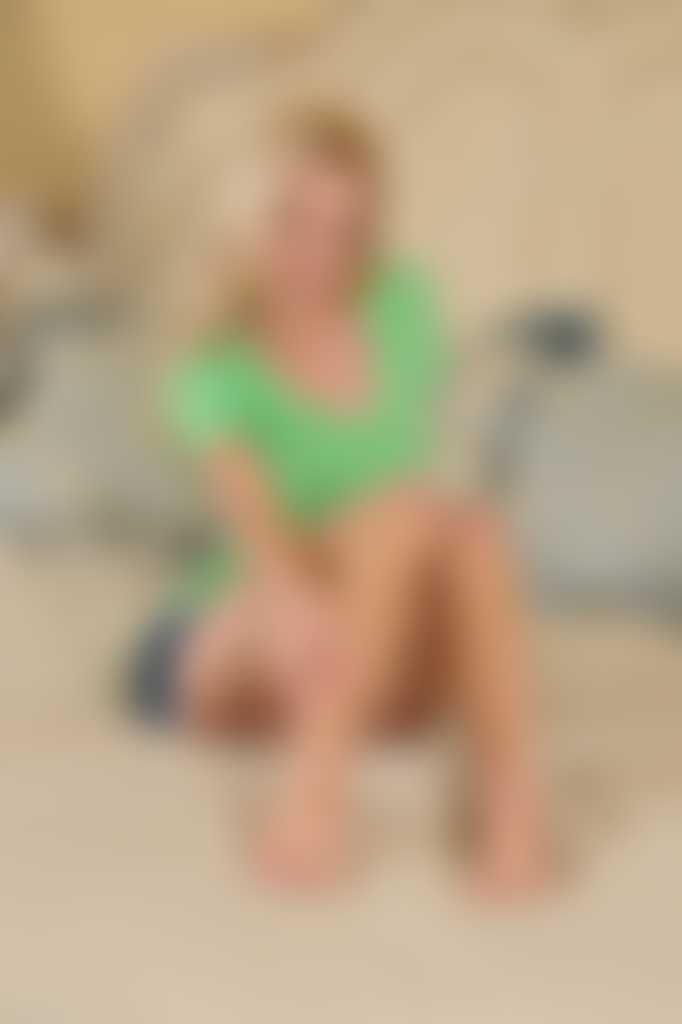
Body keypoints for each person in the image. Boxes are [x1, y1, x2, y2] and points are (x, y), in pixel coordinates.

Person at [131, 105, 545, 896]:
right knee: (395, 514)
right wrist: (298, 602)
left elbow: (435, 492)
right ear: (249, 219)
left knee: (472, 529)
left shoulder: (402, 304)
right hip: (235, 633)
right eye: (294, 221)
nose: (319, 256)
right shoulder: (215, 359)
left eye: (346, 231)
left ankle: (513, 811)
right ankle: (316, 793)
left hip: (363, 641)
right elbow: (257, 531)